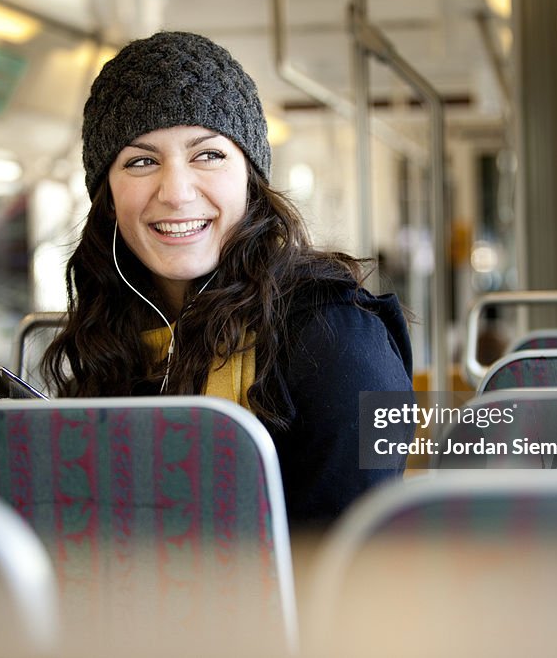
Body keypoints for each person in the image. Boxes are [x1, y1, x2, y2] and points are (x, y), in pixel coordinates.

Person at [43, 30, 413, 529]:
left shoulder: (340, 343)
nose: (175, 192)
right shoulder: (108, 339)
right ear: (106, 193)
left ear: (250, 177)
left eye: (208, 155)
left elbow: (349, 575)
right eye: (141, 161)